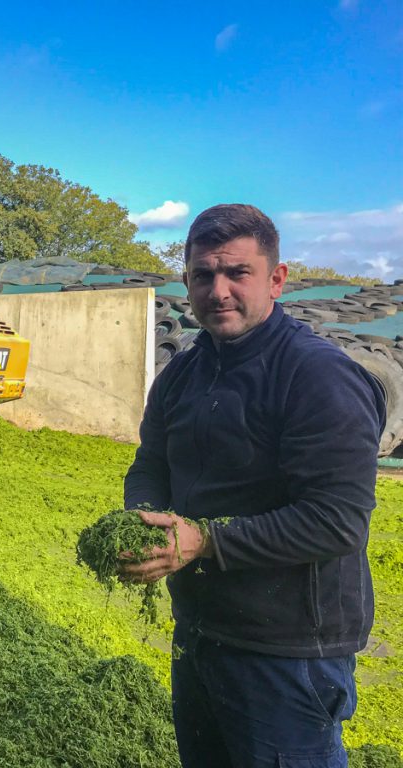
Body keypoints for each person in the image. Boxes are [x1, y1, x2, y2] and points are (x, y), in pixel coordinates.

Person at [120, 204, 386, 768]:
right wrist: (140, 519)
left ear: (276, 278)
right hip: (200, 630)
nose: (217, 291)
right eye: (202, 274)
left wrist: (204, 541)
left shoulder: (317, 377)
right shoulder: (181, 376)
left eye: (237, 272)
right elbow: (151, 464)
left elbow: (337, 519)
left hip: (287, 652)